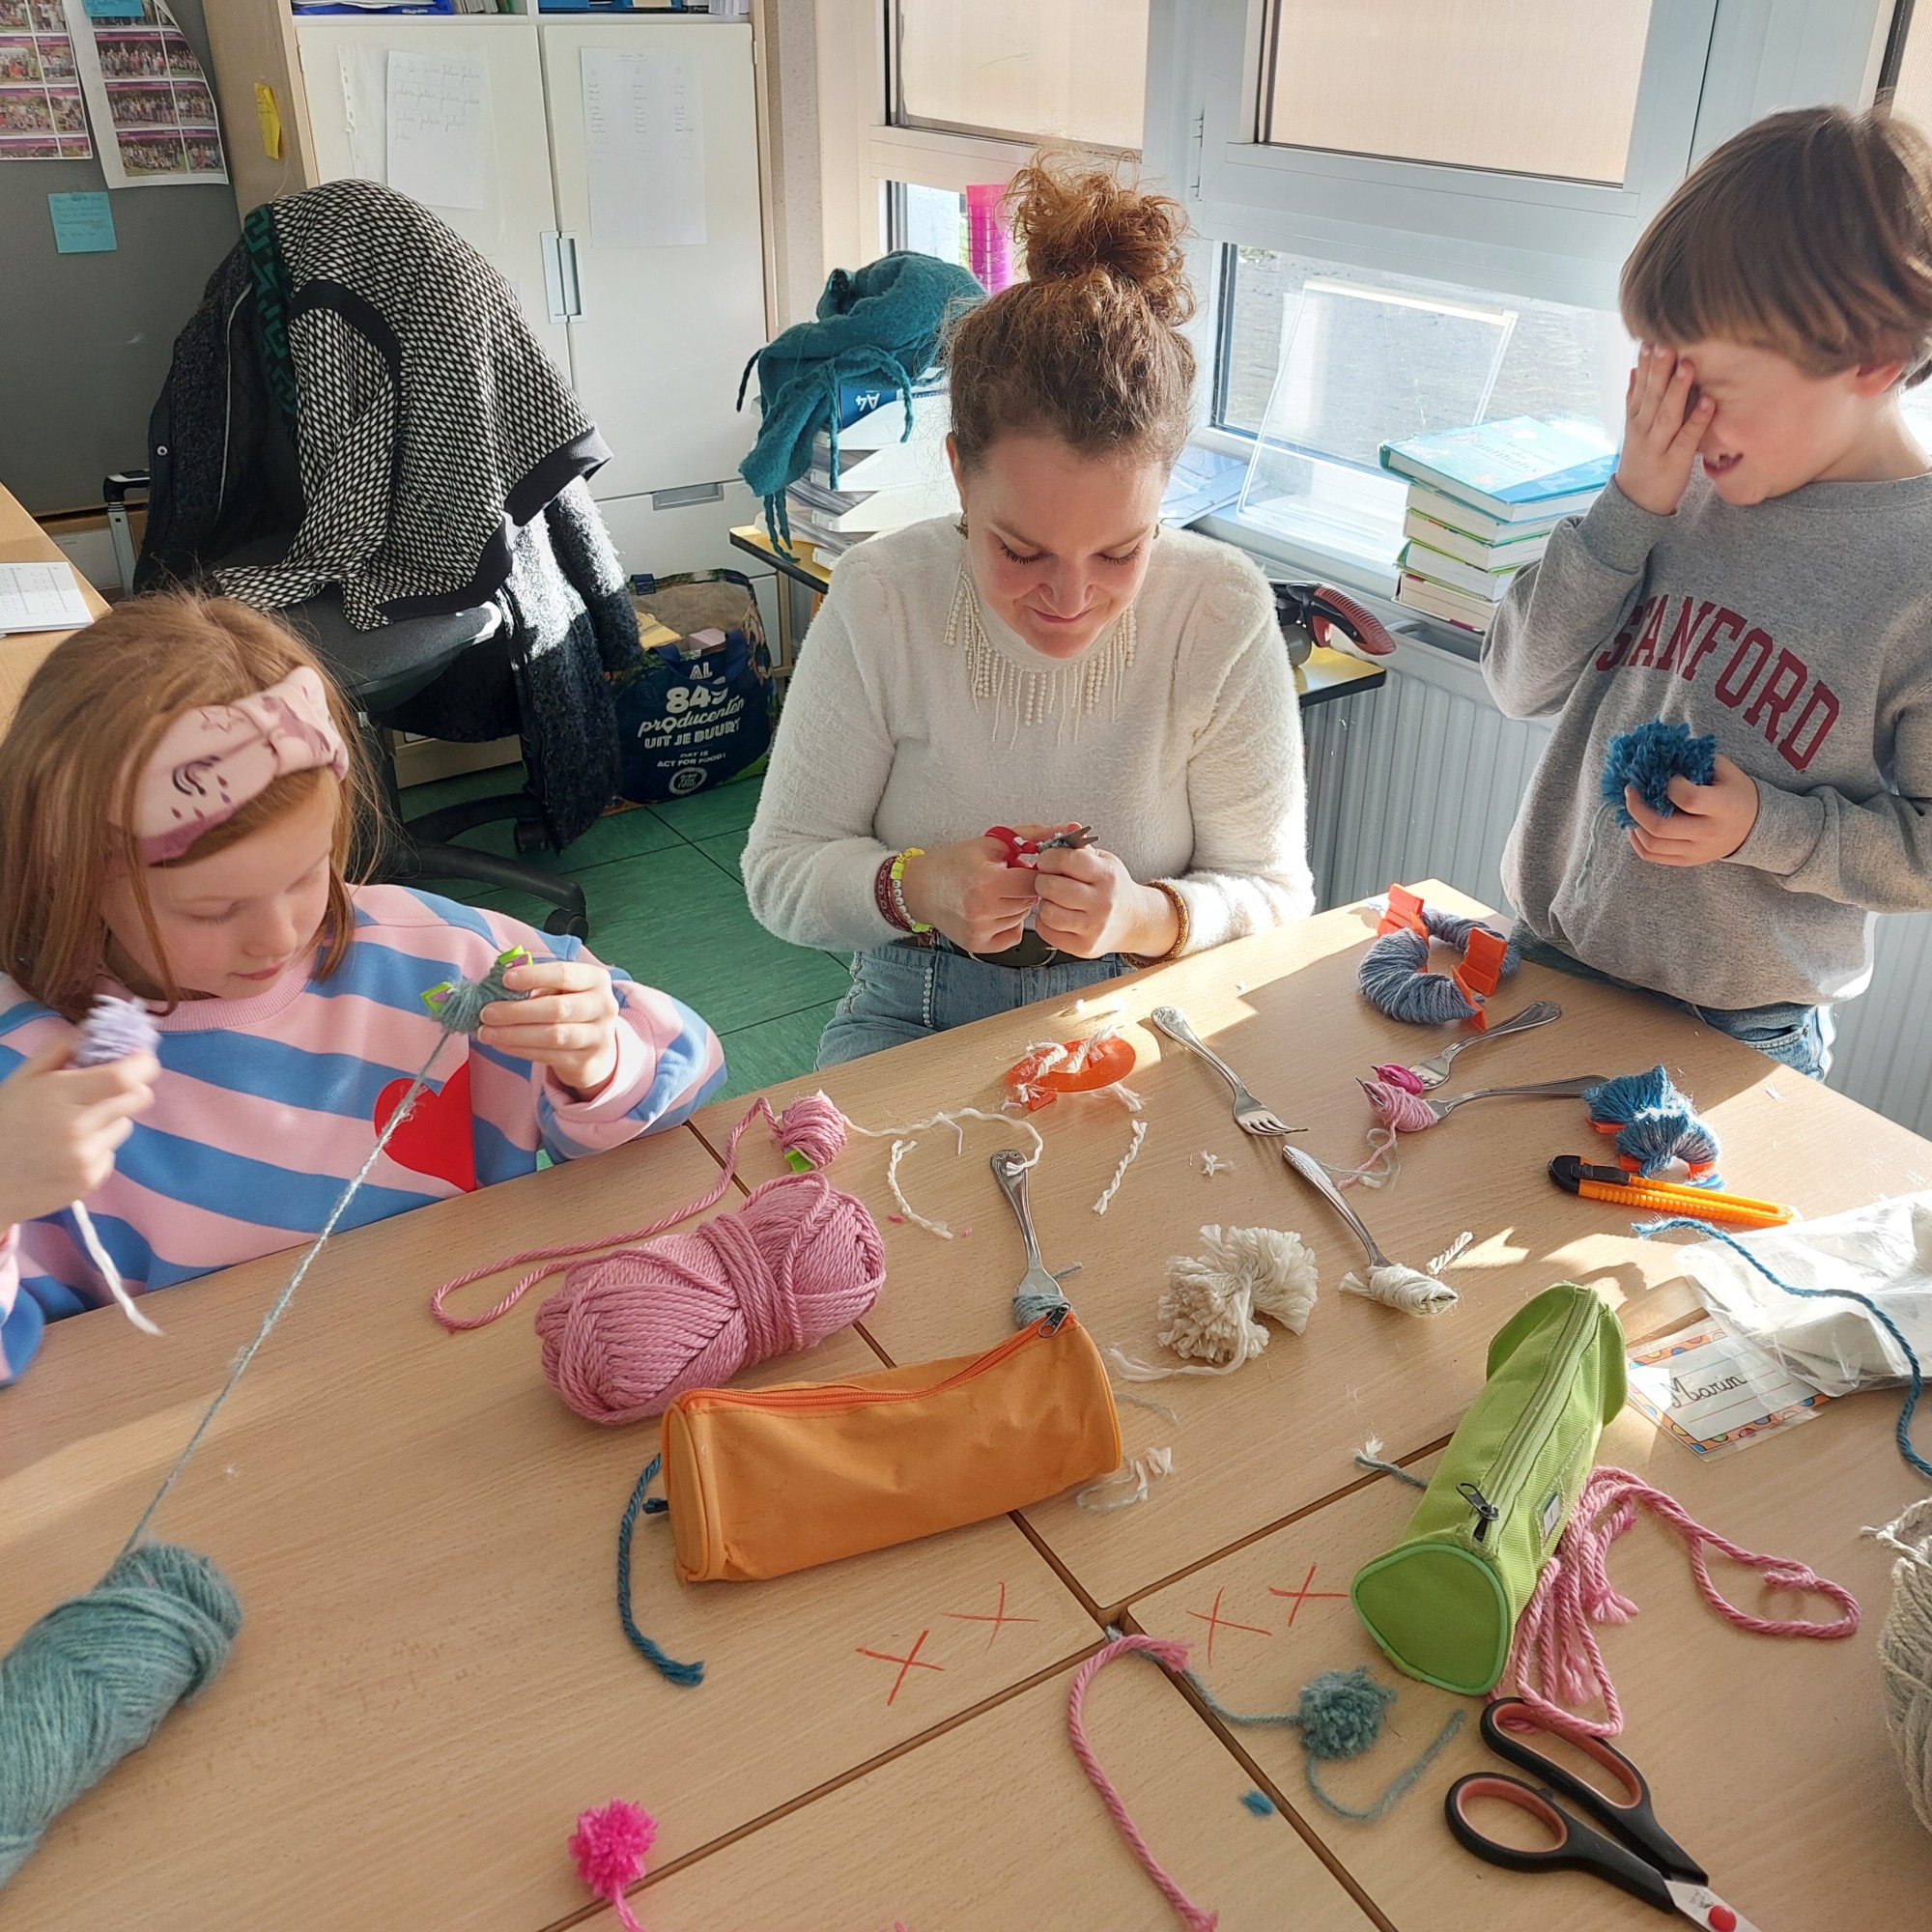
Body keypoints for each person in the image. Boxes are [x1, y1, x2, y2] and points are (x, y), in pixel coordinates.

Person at [0, 595, 725, 1383]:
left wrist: (602, 1060)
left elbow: (688, 1073)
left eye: (307, 873)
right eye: (212, 910)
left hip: (467, 1380)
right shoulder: (30, 1073)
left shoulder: (440, 957)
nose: (277, 935)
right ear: (72, 874)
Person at [743, 157, 1313, 1065]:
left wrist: (1148, 915)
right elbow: (780, 876)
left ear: (1166, 488)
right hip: (913, 1007)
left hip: (1149, 1006)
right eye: (1021, 551)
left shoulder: (1219, 606)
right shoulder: (883, 595)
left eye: (1121, 552)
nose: (1071, 601)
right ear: (960, 473)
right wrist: (915, 888)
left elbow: (1275, 894)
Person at [1485, 106, 1932, 1079]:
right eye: (1662, 374)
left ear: (1874, 356)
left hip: (1733, 1032)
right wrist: (1628, 504)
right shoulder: (1669, 480)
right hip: (1548, 960)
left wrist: (1766, 827)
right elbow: (1516, 682)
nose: (1679, 417)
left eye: (1715, 384)